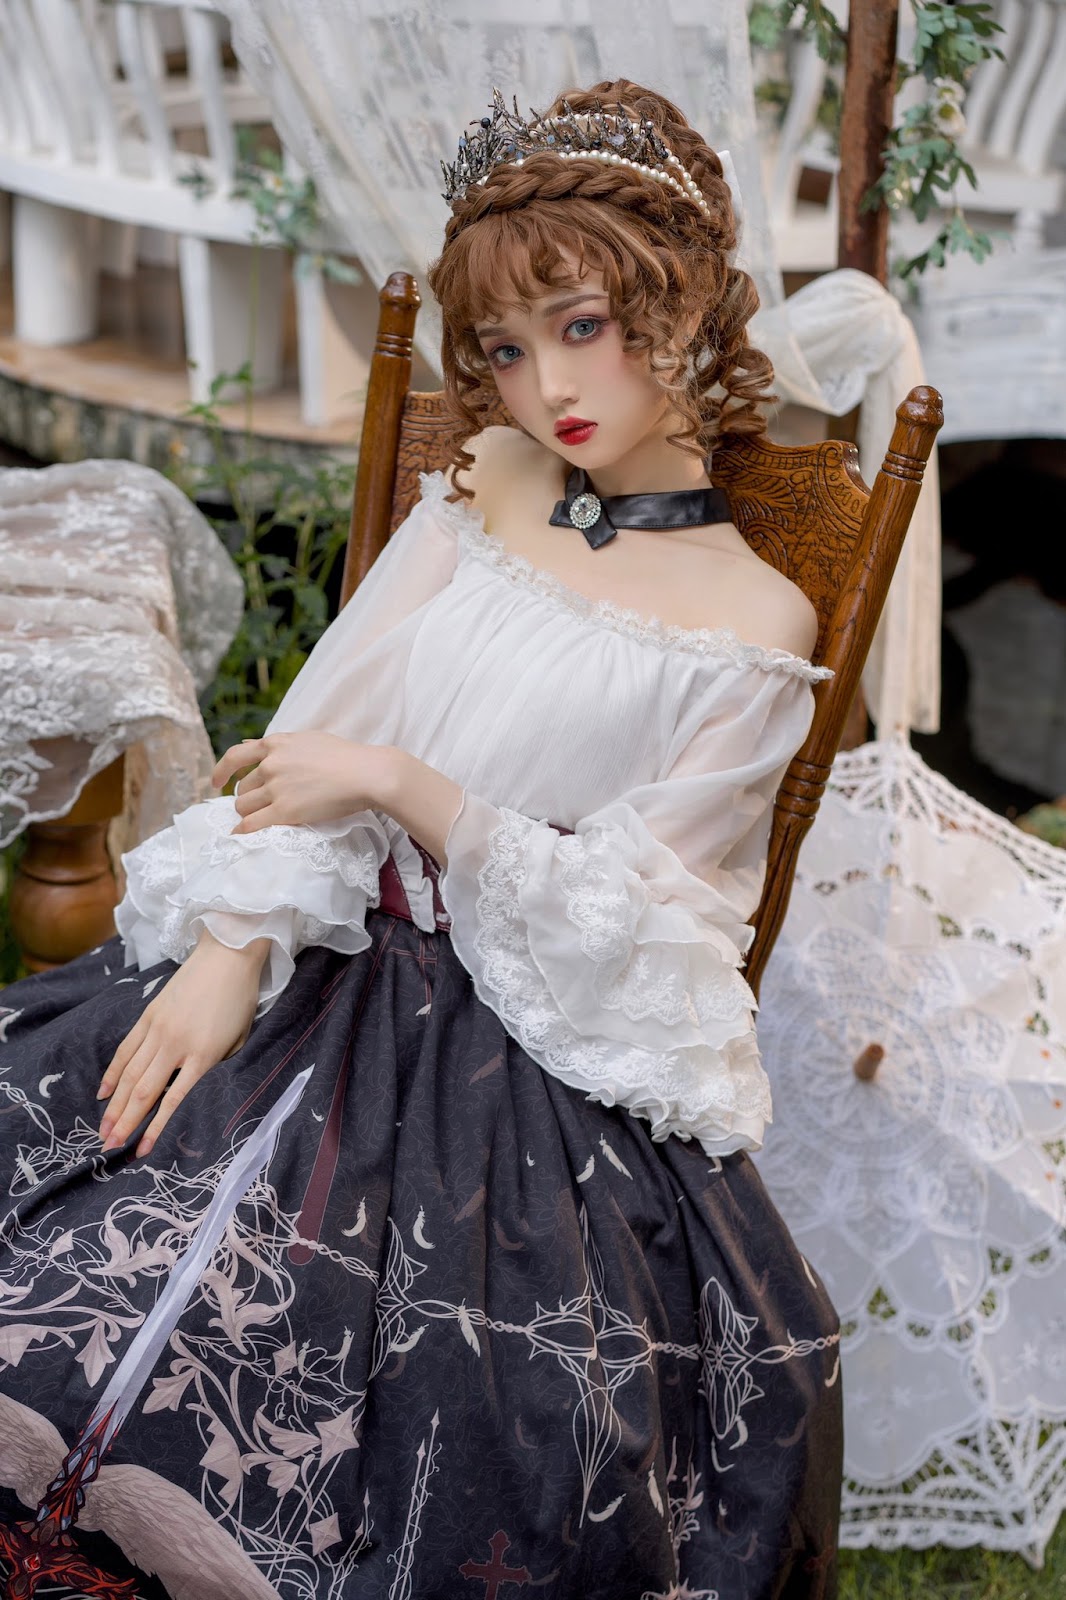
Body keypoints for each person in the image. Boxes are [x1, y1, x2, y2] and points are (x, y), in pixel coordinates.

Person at [0, 79, 842, 1600]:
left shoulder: (756, 623)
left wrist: (407, 786)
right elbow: (318, 734)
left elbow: (652, 930)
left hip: (522, 1051)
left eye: (582, 325)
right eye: (507, 350)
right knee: (96, 1211)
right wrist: (230, 950)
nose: (546, 388)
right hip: (323, 945)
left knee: (453, 1415)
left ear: (683, 307)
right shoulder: (492, 481)